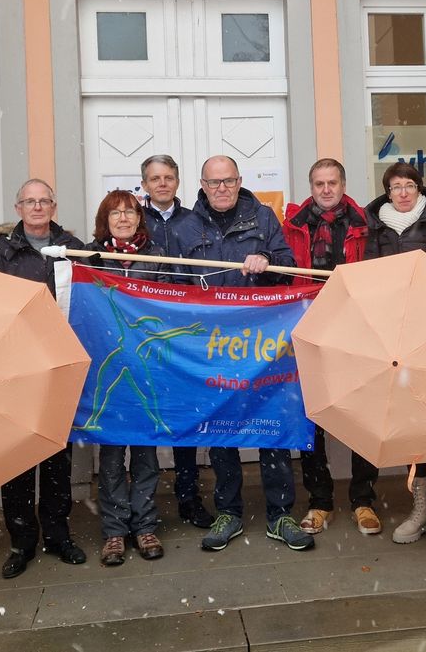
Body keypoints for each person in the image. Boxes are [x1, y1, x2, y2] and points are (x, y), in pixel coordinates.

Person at [168, 154, 313, 553]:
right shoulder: (184, 227)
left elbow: (289, 266)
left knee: (272, 424)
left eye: (228, 181)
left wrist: (266, 262)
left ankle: (280, 513)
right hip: (212, 347)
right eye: (214, 183)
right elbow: (174, 289)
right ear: (201, 184)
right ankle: (228, 512)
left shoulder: (263, 217)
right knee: (221, 430)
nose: (222, 189)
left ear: (239, 180)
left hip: (262, 343)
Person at [0, 178, 88, 578]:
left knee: (57, 458)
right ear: (18, 207)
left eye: (44, 201)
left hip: (62, 367)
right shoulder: (1, 257)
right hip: (16, 371)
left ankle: (58, 535)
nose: (38, 207)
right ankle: (21, 541)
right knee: (18, 460)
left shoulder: (74, 252)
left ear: (54, 206)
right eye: (30, 201)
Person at [364, 162, 426, 557]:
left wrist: (414, 298)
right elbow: (371, 281)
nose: (403, 193)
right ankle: (419, 510)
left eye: (409, 186)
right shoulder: (377, 229)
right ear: (387, 192)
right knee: (410, 425)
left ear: (420, 190)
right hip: (395, 340)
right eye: (395, 187)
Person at [282, 158, 381, 536]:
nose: (326, 189)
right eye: (319, 183)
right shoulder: (292, 226)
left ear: (343, 184)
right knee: (313, 421)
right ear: (311, 187)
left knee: (362, 417)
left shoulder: (365, 224)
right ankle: (320, 501)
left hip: (358, 333)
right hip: (310, 332)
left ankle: (363, 500)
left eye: (332, 182)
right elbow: (281, 270)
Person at [82, 189, 172, 565]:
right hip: (109, 361)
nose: (123, 218)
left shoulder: (157, 258)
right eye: (116, 213)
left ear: (140, 218)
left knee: (146, 453)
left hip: (146, 364)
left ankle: (145, 524)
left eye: (130, 212)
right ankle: (116, 530)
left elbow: (170, 304)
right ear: (106, 219)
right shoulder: (89, 257)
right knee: (113, 455)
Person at [139, 154, 214, 530]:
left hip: (186, 332)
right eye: (155, 178)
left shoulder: (195, 221)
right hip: (146, 331)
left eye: (168, 177)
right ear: (145, 184)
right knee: (146, 413)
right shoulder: (133, 220)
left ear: (178, 181)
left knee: (186, 416)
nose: (162, 183)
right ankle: (145, 504)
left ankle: (189, 497)